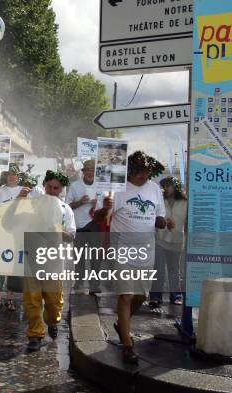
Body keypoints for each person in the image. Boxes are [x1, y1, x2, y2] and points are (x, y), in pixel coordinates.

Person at [97, 151, 169, 363]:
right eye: (140, 173)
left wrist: (163, 222)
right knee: (126, 295)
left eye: (147, 173)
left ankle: (121, 324)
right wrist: (105, 208)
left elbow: (160, 217)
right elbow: (101, 217)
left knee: (141, 297)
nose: (144, 177)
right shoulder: (117, 189)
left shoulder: (154, 189)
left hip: (147, 251)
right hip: (123, 250)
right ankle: (127, 345)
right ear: (130, 171)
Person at [23, 170, 76, 351]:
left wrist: (58, 231)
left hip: (54, 262)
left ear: (61, 190)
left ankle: (53, 322)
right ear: (44, 186)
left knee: (54, 303)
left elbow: (71, 236)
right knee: (32, 299)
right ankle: (35, 334)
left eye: (56, 188)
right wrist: (19, 199)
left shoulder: (65, 210)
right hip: (32, 260)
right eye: (49, 187)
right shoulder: (32, 205)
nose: (52, 191)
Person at [0, 163, 43, 312]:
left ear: (18, 176)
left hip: (18, 233)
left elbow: (40, 197)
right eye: (9, 174)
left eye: (14, 174)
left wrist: (31, 183)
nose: (11, 176)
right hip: (2, 232)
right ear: (5, 176)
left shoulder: (25, 190)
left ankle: (10, 298)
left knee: (13, 266)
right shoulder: (0, 190)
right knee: (0, 267)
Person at [149, 177, 187, 307]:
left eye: (169, 185)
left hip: (177, 240)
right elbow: (153, 217)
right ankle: (155, 296)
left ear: (175, 187)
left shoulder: (185, 202)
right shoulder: (160, 201)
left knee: (174, 269)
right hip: (160, 238)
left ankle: (176, 295)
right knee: (158, 269)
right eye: (164, 186)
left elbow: (188, 222)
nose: (166, 188)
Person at [65, 159, 100, 293]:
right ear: (83, 172)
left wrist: (98, 203)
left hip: (95, 224)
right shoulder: (75, 185)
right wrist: (80, 202)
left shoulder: (100, 186)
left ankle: (94, 284)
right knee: (79, 256)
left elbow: (108, 206)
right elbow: (67, 206)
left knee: (95, 257)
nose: (90, 173)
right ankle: (79, 282)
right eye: (88, 170)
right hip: (79, 225)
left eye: (92, 170)